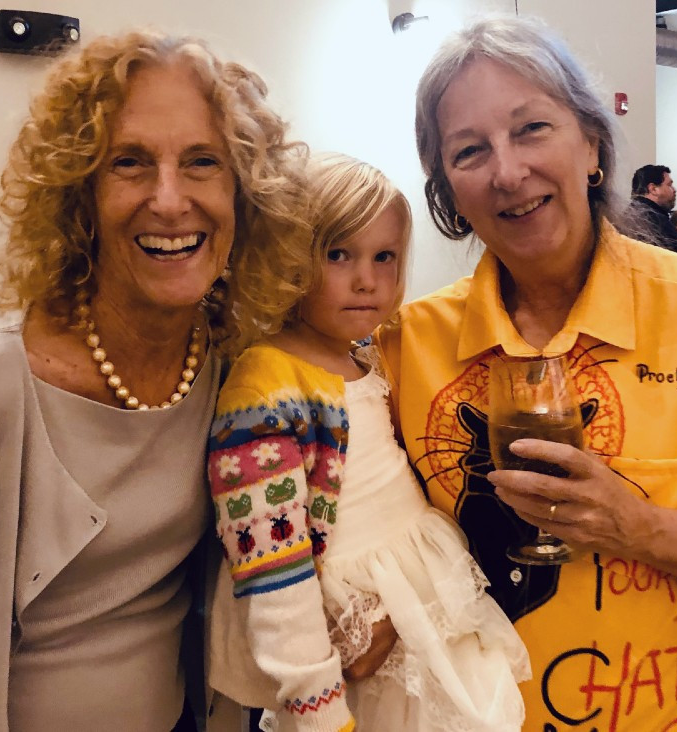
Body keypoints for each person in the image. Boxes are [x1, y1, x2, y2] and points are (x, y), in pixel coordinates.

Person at [0, 29, 311, 731]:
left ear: (246, 196)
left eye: (203, 162)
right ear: (79, 196)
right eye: (130, 163)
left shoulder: (236, 373)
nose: (169, 200)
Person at [375, 17, 677, 731]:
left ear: (592, 143)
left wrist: (643, 528)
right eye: (470, 150)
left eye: (532, 128)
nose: (508, 171)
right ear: (448, 187)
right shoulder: (405, 345)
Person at [206, 154, 532, 732]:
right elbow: (271, 569)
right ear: (287, 259)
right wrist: (318, 707)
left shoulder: (365, 359)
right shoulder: (265, 384)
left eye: (385, 257)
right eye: (338, 255)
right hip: (344, 632)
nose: (368, 279)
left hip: (418, 604)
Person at [626, 164, 677, 256]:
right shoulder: (655, 221)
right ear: (653, 189)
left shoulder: (626, 217)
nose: (674, 190)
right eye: (669, 185)